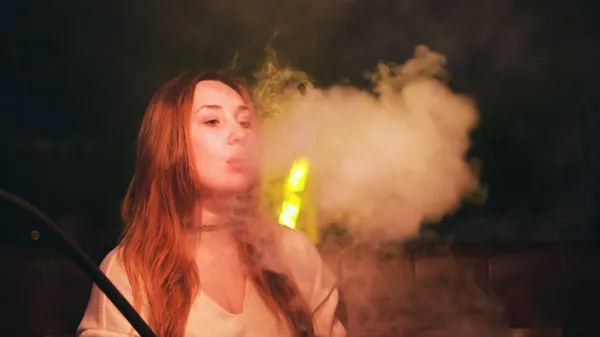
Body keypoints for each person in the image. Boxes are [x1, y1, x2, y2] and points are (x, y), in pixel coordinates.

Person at [77, 70, 347, 337]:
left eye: (244, 122)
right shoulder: (131, 273)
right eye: (212, 121)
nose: (239, 135)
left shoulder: (292, 252)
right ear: (170, 145)